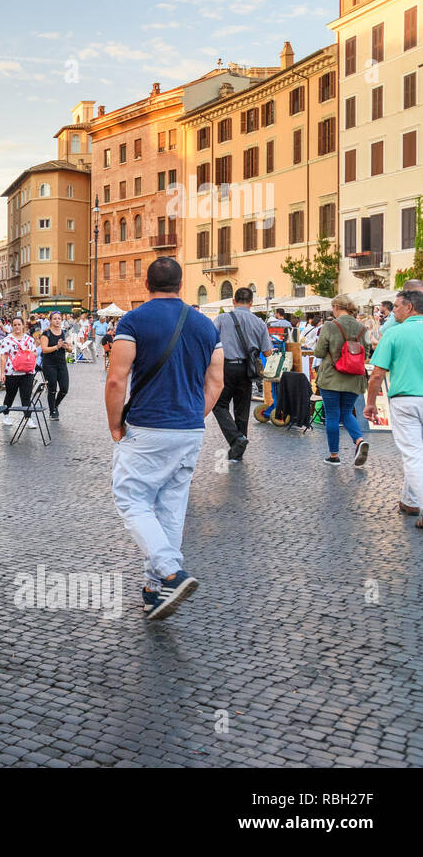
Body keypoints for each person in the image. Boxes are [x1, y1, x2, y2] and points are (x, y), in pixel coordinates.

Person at [105, 257, 223, 621]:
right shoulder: (206, 325)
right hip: (189, 429)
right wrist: (192, 416)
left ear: (146, 284)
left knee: (133, 500)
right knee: (171, 507)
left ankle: (171, 571)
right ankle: (153, 590)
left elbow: (115, 380)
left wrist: (114, 426)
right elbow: (216, 382)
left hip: (148, 426)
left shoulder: (134, 321)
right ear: (181, 284)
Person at [366, 288, 423, 527]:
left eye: (397, 307)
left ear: (409, 307)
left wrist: (370, 403)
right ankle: (409, 500)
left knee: (413, 454)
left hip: (405, 399)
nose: (393, 312)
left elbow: (377, 374)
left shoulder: (395, 334)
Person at [213, 287, 274, 462]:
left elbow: (209, 340)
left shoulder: (222, 319)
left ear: (233, 301)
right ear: (251, 303)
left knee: (219, 405)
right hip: (248, 369)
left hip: (225, 367)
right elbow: (268, 352)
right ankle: (238, 452)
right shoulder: (259, 322)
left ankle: (236, 439)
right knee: (242, 409)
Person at [313, 294, 370, 468]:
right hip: (354, 378)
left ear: (336, 307)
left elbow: (319, 353)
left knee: (332, 415)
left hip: (331, 377)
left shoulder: (330, 326)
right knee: (346, 412)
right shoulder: (363, 328)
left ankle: (334, 456)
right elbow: (366, 354)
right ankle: (359, 440)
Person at [0, 317, 40, 427]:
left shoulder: (29, 339)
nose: (17, 327)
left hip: (27, 372)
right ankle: (6, 415)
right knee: (10, 394)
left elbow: (35, 354)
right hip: (11, 372)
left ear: (23, 325)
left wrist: (28, 351)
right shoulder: (7, 340)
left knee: (26, 396)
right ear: (12, 326)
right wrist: (2, 373)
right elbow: (3, 357)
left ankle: (28, 418)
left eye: (19, 324)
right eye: (14, 325)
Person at [38, 312, 71, 420]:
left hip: (61, 363)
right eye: (55, 319)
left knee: (64, 388)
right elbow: (44, 349)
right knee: (52, 388)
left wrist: (66, 347)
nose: (57, 320)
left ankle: (55, 405)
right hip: (49, 364)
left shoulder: (64, 332)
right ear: (50, 321)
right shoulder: (46, 334)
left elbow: (70, 348)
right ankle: (52, 411)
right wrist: (57, 346)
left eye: (59, 318)